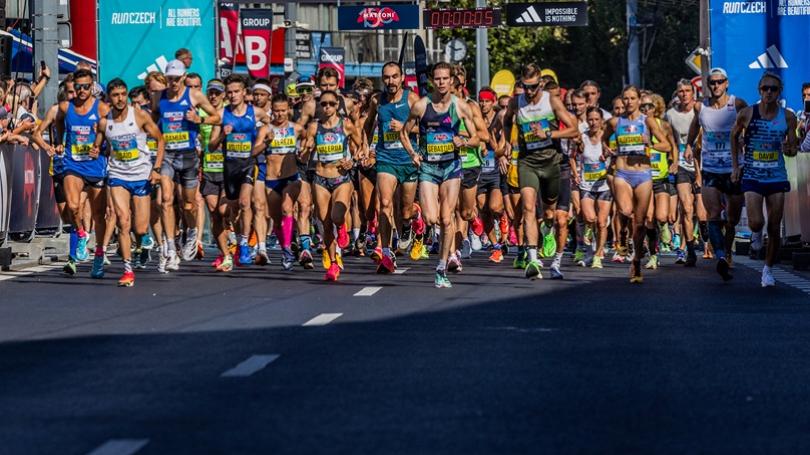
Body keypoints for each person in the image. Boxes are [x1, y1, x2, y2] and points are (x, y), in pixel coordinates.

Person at [400, 62, 480, 288]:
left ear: (452, 80)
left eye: (446, 78)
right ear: (432, 81)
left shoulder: (461, 106)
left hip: (451, 167)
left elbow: (476, 138)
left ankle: (441, 267)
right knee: (431, 218)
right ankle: (419, 222)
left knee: (447, 218)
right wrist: (413, 154)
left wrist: (463, 140)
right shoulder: (421, 106)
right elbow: (404, 132)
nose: (442, 82)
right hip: (428, 168)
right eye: (438, 79)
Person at [502, 63, 579, 280]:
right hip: (528, 162)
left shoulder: (551, 101)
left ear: (540, 84)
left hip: (551, 161)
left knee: (549, 213)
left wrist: (549, 133)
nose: (529, 91)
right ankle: (533, 258)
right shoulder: (517, 101)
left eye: (533, 87)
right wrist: (508, 142)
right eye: (525, 87)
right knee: (527, 207)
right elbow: (507, 120)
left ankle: (547, 232)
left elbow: (573, 129)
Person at [33, 68, 110, 277]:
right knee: (74, 207)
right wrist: (57, 142)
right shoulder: (66, 108)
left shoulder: (102, 108)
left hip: (95, 165)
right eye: (78, 87)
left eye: (86, 87)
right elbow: (57, 123)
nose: (82, 90)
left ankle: (99, 257)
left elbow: (109, 133)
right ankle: (82, 234)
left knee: (98, 215)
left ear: (92, 87)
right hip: (72, 163)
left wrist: (100, 145)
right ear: (73, 87)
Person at [92, 78, 164, 286]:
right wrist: (95, 149)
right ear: (110, 98)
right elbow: (99, 143)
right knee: (123, 220)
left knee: (140, 228)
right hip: (118, 175)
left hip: (141, 174)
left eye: (123, 94)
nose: (120, 98)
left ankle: (142, 242)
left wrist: (156, 169)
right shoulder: (106, 122)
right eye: (116, 95)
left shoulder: (139, 115)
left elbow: (160, 139)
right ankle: (127, 270)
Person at [150, 59, 220, 269]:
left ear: (183, 78)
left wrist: (199, 121)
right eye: (169, 79)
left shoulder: (194, 95)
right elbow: (153, 120)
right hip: (168, 155)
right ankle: (170, 247)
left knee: (189, 204)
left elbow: (217, 117)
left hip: (188, 155)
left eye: (176, 79)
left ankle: (191, 232)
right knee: (166, 200)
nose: (173, 83)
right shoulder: (158, 97)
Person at [731, 72, 797, 287]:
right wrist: (735, 166)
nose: (769, 92)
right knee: (756, 221)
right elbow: (733, 135)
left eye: (773, 89)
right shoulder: (747, 113)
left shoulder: (787, 117)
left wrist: (789, 149)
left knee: (775, 225)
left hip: (776, 175)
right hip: (752, 174)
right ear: (759, 90)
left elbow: (792, 147)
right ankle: (755, 234)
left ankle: (767, 270)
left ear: (779, 92)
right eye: (765, 88)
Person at [602, 85, 670, 283]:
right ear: (622, 101)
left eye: (633, 98)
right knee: (624, 210)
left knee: (640, 223)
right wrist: (608, 150)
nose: (629, 102)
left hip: (643, 174)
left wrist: (650, 144)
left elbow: (665, 145)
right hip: (622, 172)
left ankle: (637, 262)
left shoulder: (647, 121)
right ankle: (622, 235)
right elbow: (603, 138)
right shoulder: (615, 122)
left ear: (639, 100)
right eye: (626, 98)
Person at [685, 67, 748, 281]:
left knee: (732, 218)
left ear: (726, 83)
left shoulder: (736, 104)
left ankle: (727, 250)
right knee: (712, 214)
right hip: (710, 168)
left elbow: (749, 124)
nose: (716, 86)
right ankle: (720, 257)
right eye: (712, 82)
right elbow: (695, 127)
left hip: (733, 169)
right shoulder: (700, 106)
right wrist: (688, 145)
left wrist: (744, 139)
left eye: (720, 82)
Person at [363, 61, 421, 273]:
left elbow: (424, 127)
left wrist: (405, 128)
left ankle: (410, 223)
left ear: (402, 78)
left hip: (407, 160)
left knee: (405, 211)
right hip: (386, 158)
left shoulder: (412, 99)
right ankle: (386, 254)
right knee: (385, 203)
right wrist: (365, 147)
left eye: (395, 76)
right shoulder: (377, 100)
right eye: (387, 77)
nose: (391, 81)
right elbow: (368, 124)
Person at [208, 74, 269, 271]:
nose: (233, 95)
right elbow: (211, 146)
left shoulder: (256, 112)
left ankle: (243, 244)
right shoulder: (221, 114)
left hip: (248, 164)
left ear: (244, 92)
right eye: (230, 92)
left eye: (237, 91)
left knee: (245, 202)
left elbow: (271, 123)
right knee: (226, 210)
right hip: (229, 167)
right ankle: (236, 240)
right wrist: (222, 136)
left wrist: (267, 136)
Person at [303, 90, 364, 281]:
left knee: (336, 215)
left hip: (341, 178)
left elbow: (361, 146)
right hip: (320, 177)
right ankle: (333, 263)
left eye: (330, 103)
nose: (327, 107)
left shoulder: (345, 125)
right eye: (323, 104)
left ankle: (343, 226)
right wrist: (305, 149)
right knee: (324, 222)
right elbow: (306, 150)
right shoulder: (314, 126)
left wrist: (352, 161)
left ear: (337, 105)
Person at [265, 93, 307, 270]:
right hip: (271, 179)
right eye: (276, 111)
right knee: (275, 219)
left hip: (291, 177)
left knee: (287, 208)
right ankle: (286, 250)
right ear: (271, 111)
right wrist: (265, 144)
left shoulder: (296, 128)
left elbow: (307, 138)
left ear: (288, 110)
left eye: (283, 111)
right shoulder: (266, 129)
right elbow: (255, 149)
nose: (279, 114)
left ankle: (289, 247)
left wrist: (303, 151)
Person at [666, 79, 702, 266]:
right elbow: (668, 140)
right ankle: (689, 250)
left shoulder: (701, 110)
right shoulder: (670, 115)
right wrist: (672, 160)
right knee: (686, 208)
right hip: (681, 165)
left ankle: (706, 238)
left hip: (702, 165)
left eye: (688, 91)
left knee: (703, 214)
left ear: (693, 92)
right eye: (681, 91)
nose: (684, 94)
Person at [572, 107, 612, 268]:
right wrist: (576, 174)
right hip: (587, 184)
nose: (593, 122)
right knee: (589, 218)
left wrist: (609, 155)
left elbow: (616, 154)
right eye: (590, 119)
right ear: (587, 121)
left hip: (604, 185)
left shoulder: (607, 137)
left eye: (596, 119)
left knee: (602, 222)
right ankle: (590, 248)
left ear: (602, 121)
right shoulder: (582, 138)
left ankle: (597, 254)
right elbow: (572, 157)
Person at [475, 87, 507, 263]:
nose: (483, 104)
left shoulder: (499, 117)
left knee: (495, 207)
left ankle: (502, 218)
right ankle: (496, 247)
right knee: (484, 210)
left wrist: (496, 147)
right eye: (481, 100)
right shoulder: (476, 117)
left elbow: (503, 142)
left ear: (493, 101)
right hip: (479, 170)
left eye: (487, 101)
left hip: (495, 170)